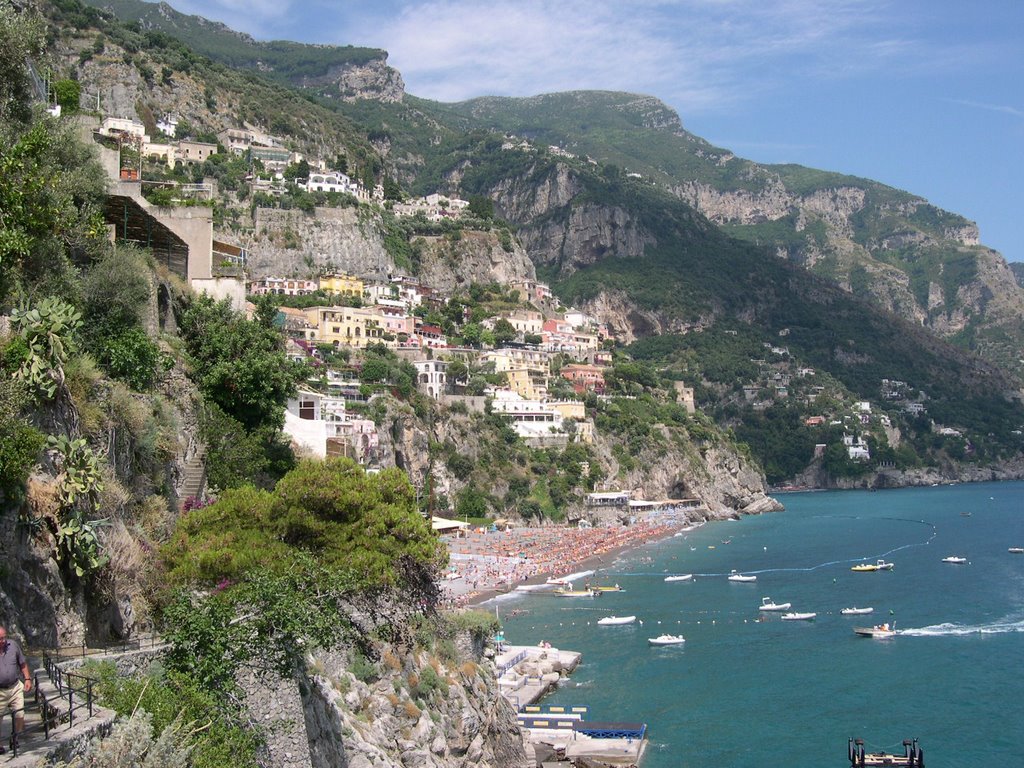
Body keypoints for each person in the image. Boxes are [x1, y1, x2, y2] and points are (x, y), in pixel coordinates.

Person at [0, 625, 32, 755]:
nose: (3, 641)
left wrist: (28, 679)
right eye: (0, 639)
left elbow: (22, 663)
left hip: (15, 687)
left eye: (4, 637)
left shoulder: (13, 645)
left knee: (20, 714)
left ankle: (16, 737)